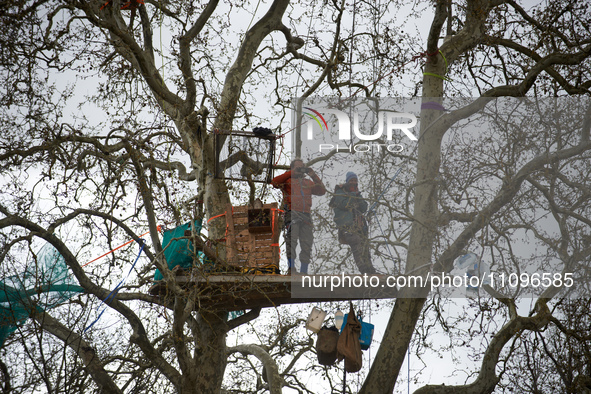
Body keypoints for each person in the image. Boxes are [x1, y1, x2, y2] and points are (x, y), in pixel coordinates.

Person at [271, 159, 326, 274]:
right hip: (292, 213)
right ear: (292, 168)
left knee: (306, 244)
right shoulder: (288, 180)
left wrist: (313, 174)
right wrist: (291, 173)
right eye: (297, 167)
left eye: (302, 167)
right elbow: (274, 182)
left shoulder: (308, 182)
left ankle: (304, 271)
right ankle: (291, 269)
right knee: (292, 241)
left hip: (306, 215)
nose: (300, 170)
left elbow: (322, 191)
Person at [330, 172, 376, 274]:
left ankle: (371, 269)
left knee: (365, 247)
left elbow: (364, 207)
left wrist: (357, 196)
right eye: (351, 181)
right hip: (347, 226)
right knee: (356, 244)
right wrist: (353, 196)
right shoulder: (340, 192)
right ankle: (363, 269)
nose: (354, 183)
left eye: (355, 181)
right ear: (347, 182)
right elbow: (344, 204)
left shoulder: (357, 194)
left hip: (360, 226)